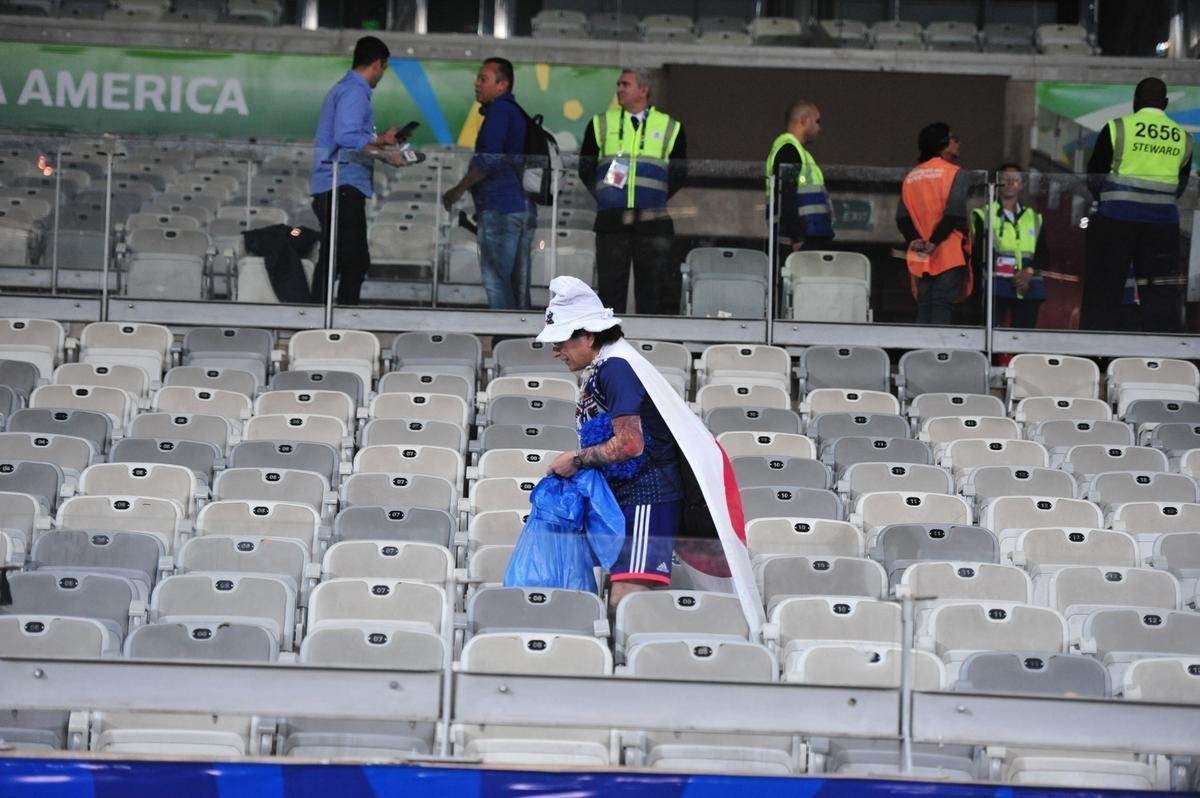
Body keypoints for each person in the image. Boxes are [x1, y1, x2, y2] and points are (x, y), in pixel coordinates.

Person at [539, 276, 761, 623]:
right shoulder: (610, 365)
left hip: (648, 497)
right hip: (631, 497)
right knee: (622, 598)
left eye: (561, 341)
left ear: (589, 336)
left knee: (628, 601)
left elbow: (630, 443)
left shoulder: (617, 370)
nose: (555, 351)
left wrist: (577, 460)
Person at [1081, 77, 1193, 332]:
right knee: (1159, 295)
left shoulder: (1117, 128)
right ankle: (1158, 359)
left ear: (1134, 102)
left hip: (1115, 222)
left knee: (1104, 291)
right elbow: (1181, 187)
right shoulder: (1183, 138)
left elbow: (1094, 177)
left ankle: (1094, 356)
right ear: (1165, 103)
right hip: (1162, 226)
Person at [578, 69, 687, 315]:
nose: (619, 89)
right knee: (609, 292)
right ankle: (610, 347)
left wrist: (655, 198)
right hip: (611, 219)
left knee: (652, 291)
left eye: (625, 84)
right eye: (618, 84)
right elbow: (585, 168)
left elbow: (680, 172)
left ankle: (650, 345)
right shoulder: (600, 123)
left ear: (644, 90)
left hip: (652, 220)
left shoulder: (670, 126)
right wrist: (606, 196)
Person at [310, 35, 408, 306]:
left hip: (337, 184)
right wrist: (385, 151)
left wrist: (382, 145)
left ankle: (321, 315)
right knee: (351, 260)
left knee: (337, 257)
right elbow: (347, 137)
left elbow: (351, 136)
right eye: (384, 69)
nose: (382, 75)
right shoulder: (354, 92)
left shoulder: (347, 90)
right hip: (340, 184)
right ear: (377, 64)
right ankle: (339, 316)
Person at [442, 57, 536, 310]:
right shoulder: (515, 112)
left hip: (500, 207)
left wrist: (458, 188)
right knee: (518, 285)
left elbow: (489, 159)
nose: (477, 84)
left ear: (502, 85)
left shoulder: (499, 110)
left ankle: (504, 341)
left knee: (497, 281)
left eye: (483, 79)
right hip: (522, 207)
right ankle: (521, 343)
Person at [896, 122, 973, 324]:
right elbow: (954, 214)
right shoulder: (956, 173)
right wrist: (935, 241)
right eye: (954, 138)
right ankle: (939, 352)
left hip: (920, 253)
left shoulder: (912, 176)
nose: (958, 142)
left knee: (924, 304)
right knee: (942, 305)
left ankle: (921, 353)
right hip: (948, 252)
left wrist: (915, 239)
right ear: (943, 144)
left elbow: (902, 217)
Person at [970, 164, 1049, 329]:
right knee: (993, 339)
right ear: (997, 183)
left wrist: (1028, 273)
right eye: (1005, 179)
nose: (1010, 183)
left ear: (1021, 185)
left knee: (1024, 342)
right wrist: (1015, 274)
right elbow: (981, 253)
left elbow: (1044, 253)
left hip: (1030, 287)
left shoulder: (1033, 217)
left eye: (1015, 180)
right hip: (998, 287)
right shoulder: (984, 214)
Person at [766, 100, 834, 253]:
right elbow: (787, 195)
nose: (819, 128)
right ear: (804, 120)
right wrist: (796, 237)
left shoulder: (796, 151)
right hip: (799, 239)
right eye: (816, 122)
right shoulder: (789, 150)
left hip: (805, 235)